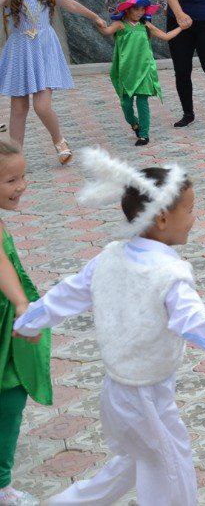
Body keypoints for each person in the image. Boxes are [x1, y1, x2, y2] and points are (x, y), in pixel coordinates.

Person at [13, 149, 205, 505]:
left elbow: (66, 294)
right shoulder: (169, 273)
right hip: (144, 395)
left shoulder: (108, 255)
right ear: (163, 219)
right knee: (171, 466)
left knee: (134, 462)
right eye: (190, 210)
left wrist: (29, 322)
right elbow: (193, 322)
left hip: (118, 389)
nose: (195, 218)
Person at [0, 0, 107, 161]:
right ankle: (15, 156)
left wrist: (94, 16)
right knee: (19, 107)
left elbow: (70, 4)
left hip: (45, 48)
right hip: (20, 50)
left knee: (42, 105)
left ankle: (59, 140)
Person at [0, 140, 52, 506]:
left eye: (22, 177)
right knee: (11, 392)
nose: (21, 186)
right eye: (10, 180)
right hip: (8, 320)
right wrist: (21, 304)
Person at [99, 0, 182, 146]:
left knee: (142, 103)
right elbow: (106, 31)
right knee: (126, 105)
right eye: (136, 8)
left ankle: (144, 134)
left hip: (144, 70)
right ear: (127, 9)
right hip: (126, 72)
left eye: (142, 9)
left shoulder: (146, 26)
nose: (140, 12)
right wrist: (99, 22)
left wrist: (181, 27)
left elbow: (165, 36)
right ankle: (134, 123)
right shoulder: (120, 25)